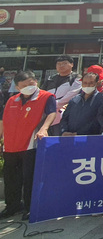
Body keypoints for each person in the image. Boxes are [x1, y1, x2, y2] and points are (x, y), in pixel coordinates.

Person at [0, 70, 56, 221]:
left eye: (31, 83)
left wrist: (44, 128)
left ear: (36, 81)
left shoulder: (46, 97)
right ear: (17, 87)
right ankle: (12, 206)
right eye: (24, 85)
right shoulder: (12, 100)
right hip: (10, 145)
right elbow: (3, 121)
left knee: (29, 177)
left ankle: (31, 207)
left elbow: (52, 113)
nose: (29, 87)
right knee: (11, 177)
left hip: (30, 144)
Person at [43, 55, 80, 135]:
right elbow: (42, 93)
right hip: (48, 113)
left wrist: (54, 104)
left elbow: (73, 94)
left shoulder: (77, 78)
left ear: (72, 64)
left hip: (65, 114)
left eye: (64, 63)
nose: (61, 66)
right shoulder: (50, 79)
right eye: (59, 64)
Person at [60, 71, 103, 136]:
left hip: (89, 138)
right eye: (85, 83)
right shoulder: (74, 99)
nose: (87, 85)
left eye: (91, 83)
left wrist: (79, 133)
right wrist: (64, 131)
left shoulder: (101, 99)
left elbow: (98, 121)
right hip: (70, 138)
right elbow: (65, 118)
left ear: (97, 83)